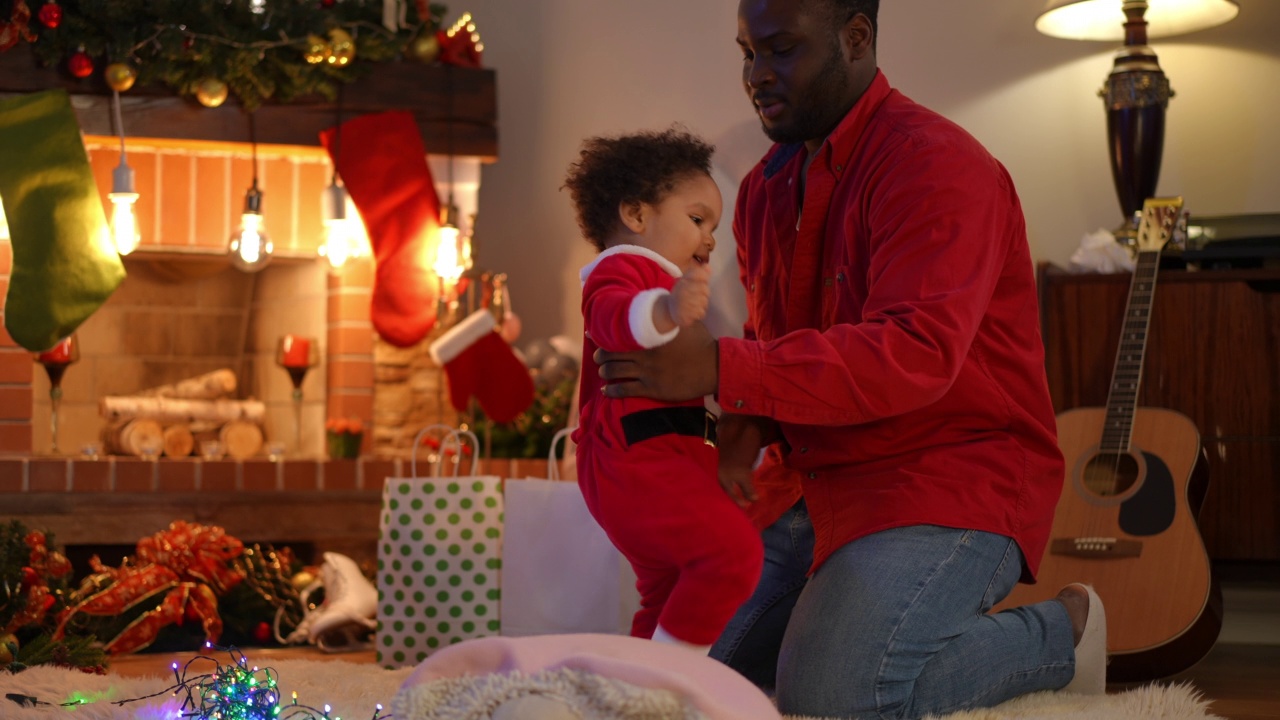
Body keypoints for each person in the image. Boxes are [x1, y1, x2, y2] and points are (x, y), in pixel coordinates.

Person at [595, 0, 1107, 717]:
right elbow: (780, 351)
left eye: (779, 50)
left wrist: (722, 369)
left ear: (855, 37)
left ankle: (1061, 636)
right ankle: (855, 628)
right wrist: (728, 427)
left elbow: (915, 351)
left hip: (943, 476)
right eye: (746, 52)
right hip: (811, 482)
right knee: (678, 684)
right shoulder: (766, 190)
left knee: (835, 696)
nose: (755, 75)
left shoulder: (938, 165)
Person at [563, 128, 764, 654]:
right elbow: (610, 319)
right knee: (732, 556)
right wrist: (666, 311)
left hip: (669, 457)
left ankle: (639, 685)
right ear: (636, 215)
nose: (710, 238)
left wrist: (727, 460)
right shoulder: (622, 268)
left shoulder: (667, 283)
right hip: (631, 460)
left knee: (669, 590)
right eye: (698, 219)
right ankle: (669, 687)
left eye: (715, 226)